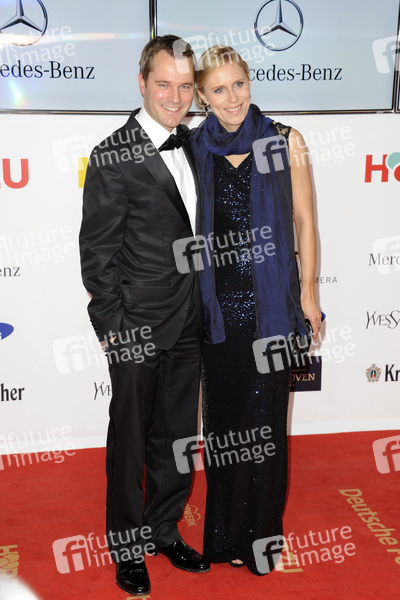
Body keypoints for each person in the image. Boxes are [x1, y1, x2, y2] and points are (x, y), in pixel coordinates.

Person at [79, 35, 210, 596]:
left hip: (191, 319)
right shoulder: (113, 154)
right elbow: (97, 254)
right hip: (136, 324)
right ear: (141, 82)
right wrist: (114, 331)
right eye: (163, 85)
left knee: (177, 436)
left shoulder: (197, 144)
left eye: (184, 86)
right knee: (130, 442)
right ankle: (127, 547)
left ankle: (164, 529)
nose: (175, 98)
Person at [190, 45, 321, 575]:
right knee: (223, 430)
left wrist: (309, 294)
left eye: (239, 84)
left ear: (250, 82)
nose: (232, 98)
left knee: (265, 429)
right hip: (217, 310)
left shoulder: (285, 141)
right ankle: (223, 539)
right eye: (218, 89)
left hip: (271, 309)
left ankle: (259, 541)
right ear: (202, 96)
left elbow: (305, 223)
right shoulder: (194, 146)